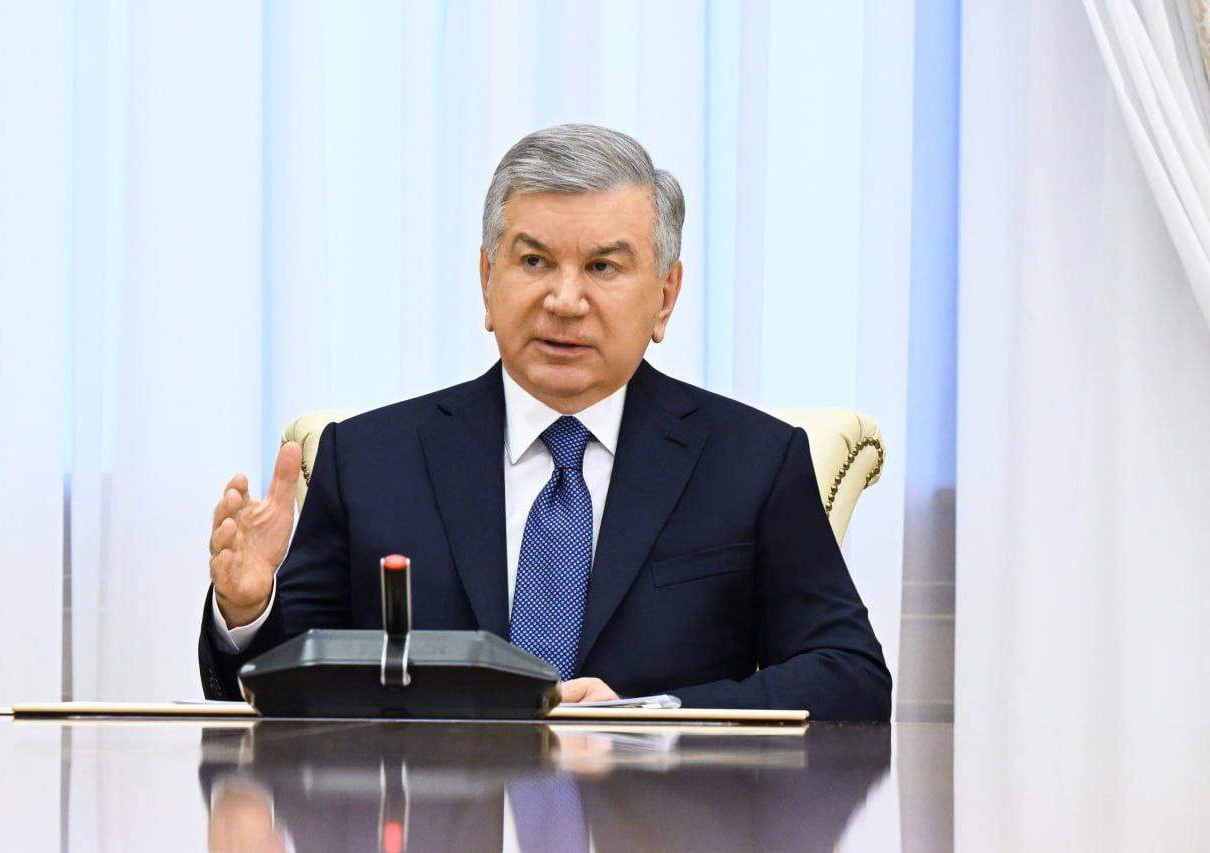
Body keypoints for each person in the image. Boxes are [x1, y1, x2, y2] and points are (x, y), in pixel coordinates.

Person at [199, 124, 891, 720]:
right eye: (534, 261)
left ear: (665, 296)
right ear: (486, 279)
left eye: (603, 267)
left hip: (661, 813)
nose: (565, 299)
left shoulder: (753, 463)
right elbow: (278, 697)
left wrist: (652, 718)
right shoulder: (370, 460)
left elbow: (851, 678)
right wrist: (248, 611)